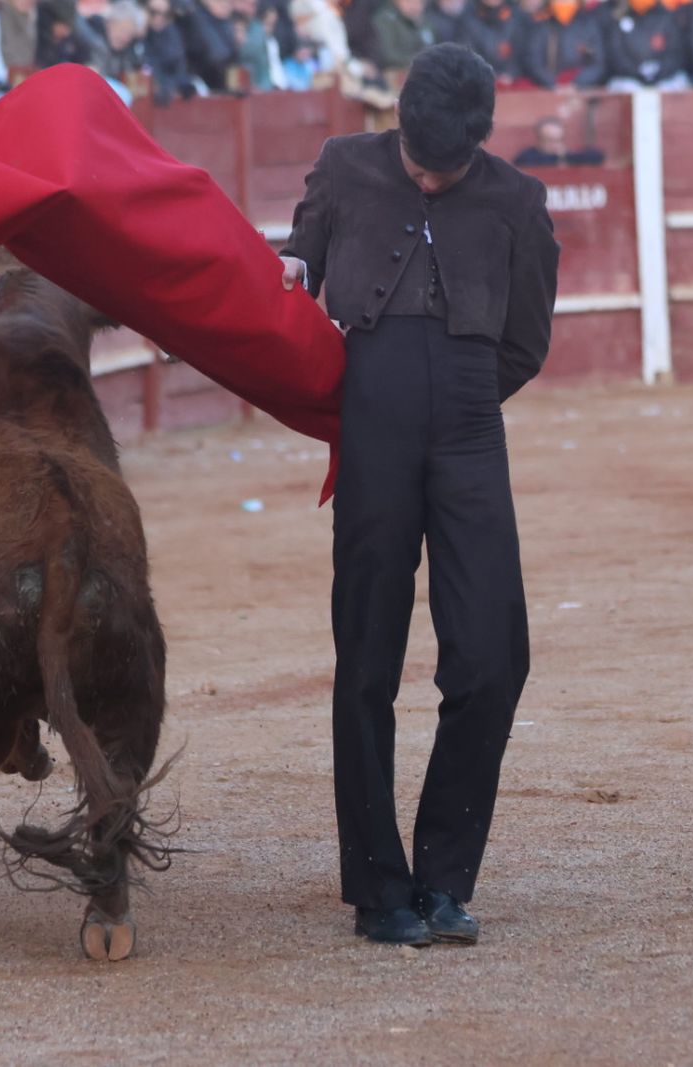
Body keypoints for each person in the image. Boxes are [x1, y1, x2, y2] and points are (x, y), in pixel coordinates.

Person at [278, 43, 558, 948]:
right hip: (374, 426)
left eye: (446, 169)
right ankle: (377, 886)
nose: (428, 182)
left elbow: (526, 340)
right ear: (396, 123)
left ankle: (443, 878)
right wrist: (287, 269)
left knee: (492, 655)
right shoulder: (343, 167)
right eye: (416, 164)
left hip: (472, 428)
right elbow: (294, 273)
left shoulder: (517, 199)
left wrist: (458, 399)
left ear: (477, 143)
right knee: (365, 654)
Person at [518, 0, 605, 89]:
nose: (563, 3)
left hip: (582, 90)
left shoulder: (588, 25)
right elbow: (533, 61)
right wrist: (553, 83)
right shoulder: (542, 26)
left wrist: (578, 83)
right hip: (549, 88)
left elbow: (598, 63)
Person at [603, 0, 685, 90]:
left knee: (678, 81)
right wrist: (638, 71)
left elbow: (676, 53)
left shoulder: (666, 17)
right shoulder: (621, 18)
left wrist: (656, 71)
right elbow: (617, 54)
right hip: (631, 79)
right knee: (621, 86)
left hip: (663, 77)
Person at [455, 0, 523, 86]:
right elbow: (467, 53)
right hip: (480, 80)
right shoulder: (469, 17)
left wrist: (510, 73)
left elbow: (520, 51)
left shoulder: (515, 16)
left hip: (511, 80)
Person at [513, 115, 603, 166]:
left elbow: (597, 156)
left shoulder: (567, 155)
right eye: (549, 140)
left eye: (558, 140)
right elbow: (522, 163)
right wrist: (559, 158)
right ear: (539, 140)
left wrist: (564, 157)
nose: (555, 145)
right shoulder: (528, 156)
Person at [370, 0, 429, 74]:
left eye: (419, 2)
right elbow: (388, 55)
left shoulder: (422, 20)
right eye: (409, 2)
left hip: (420, 67)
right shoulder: (385, 20)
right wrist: (421, 60)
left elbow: (431, 44)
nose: (415, 6)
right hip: (395, 70)